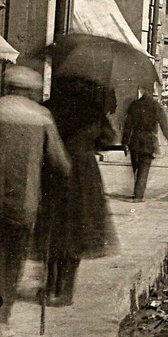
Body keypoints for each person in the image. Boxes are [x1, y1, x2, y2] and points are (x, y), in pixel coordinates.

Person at [36, 76, 118, 306]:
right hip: (84, 177)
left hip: (52, 173)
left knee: (53, 230)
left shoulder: (49, 107)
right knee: (77, 232)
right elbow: (109, 139)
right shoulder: (92, 111)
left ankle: (49, 286)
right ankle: (65, 292)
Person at [0, 66, 70, 332]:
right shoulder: (41, 117)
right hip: (21, 204)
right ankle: (2, 319)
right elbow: (61, 163)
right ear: (32, 91)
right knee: (10, 262)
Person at [120, 92, 168, 201]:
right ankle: (138, 194)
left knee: (136, 166)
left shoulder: (134, 105)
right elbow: (163, 123)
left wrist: (125, 142)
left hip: (135, 139)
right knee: (144, 167)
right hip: (149, 140)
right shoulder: (155, 106)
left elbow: (128, 125)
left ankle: (137, 191)